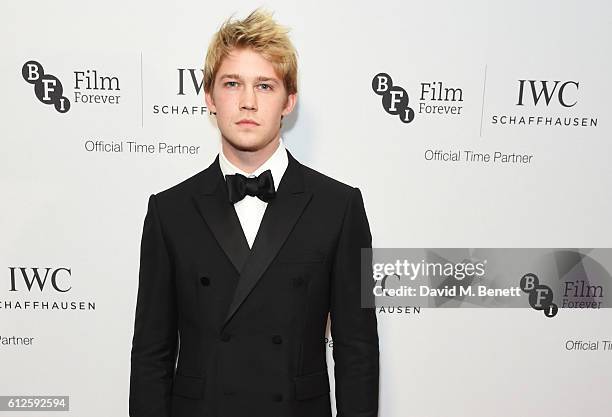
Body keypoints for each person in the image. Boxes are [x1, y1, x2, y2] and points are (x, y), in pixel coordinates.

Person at [129, 8, 379, 417]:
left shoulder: (339, 206)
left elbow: (358, 352)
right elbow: (151, 356)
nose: (247, 102)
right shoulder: (168, 211)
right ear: (209, 96)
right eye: (232, 84)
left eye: (264, 86)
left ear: (289, 101)